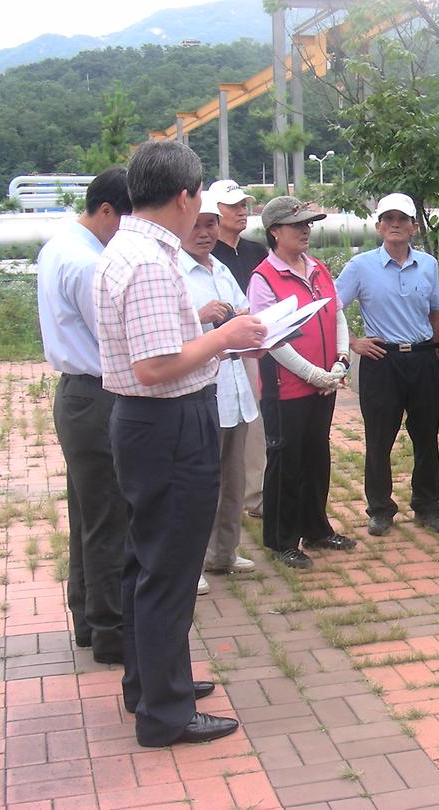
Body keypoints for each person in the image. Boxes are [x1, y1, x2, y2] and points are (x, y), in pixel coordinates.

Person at [95, 140, 267, 747]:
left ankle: (151, 684)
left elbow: (152, 340)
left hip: (149, 422)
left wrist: (203, 327)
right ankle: (165, 713)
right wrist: (226, 336)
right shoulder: (149, 260)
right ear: (185, 195)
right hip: (166, 422)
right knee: (168, 568)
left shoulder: (129, 248)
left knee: (147, 560)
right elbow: (154, 366)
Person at [36, 166, 132, 665]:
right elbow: (119, 337)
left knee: (88, 513)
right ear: (107, 210)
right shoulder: (90, 264)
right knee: (110, 516)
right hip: (98, 394)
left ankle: (90, 619)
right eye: (127, 220)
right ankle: (112, 628)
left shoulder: (60, 245)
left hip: (77, 394)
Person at [247, 195, 355, 570]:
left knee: (316, 456)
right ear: (275, 231)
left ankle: (316, 528)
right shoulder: (264, 278)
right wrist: (312, 373)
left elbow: (337, 315)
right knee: (286, 462)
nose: (306, 230)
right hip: (287, 387)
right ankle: (282, 539)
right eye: (297, 225)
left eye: (308, 224)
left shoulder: (318, 268)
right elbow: (271, 339)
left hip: (324, 382)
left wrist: (341, 359)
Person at [335, 193, 439, 536]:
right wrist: (353, 342)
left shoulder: (427, 264)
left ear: (414, 227)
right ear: (378, 226)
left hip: (422, 358)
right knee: (379, 438)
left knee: (426, 435)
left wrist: (435, 350)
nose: (395, 225)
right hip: (381, 360)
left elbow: (435, 310)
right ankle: (380, 508)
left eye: (402, 219)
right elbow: (330, 307)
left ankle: (427, 504)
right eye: (388, 219)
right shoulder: (360, 266)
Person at [179, 191, 258, 596]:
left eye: (210, 224)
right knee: (198, 483)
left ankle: (224, 552)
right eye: (196, 224)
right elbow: (163, 334)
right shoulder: (173, 272)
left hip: (235, 387)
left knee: (233, 480)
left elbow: (243, 311)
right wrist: (201, 316)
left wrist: (245, 319)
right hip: (200, 389)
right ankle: (189, 563)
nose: (204, 233)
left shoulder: (221, 269)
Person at [209, 178, 267, 521]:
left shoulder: (256, 251)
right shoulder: (205, 254)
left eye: (244, 205)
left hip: (255, 345)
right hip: (216, 351)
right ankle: (218, 500)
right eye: (233, 206)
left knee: (256, 420)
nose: (242, 211)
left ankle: (256, 494)